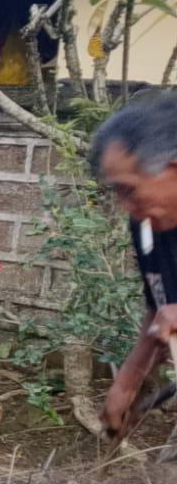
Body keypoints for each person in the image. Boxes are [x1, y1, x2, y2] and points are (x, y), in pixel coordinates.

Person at [91, 94, 177, 438]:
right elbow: (159, 308)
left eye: (129, 190)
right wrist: (128, 382)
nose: (125, 205)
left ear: (172, 170)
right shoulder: (147, 225)